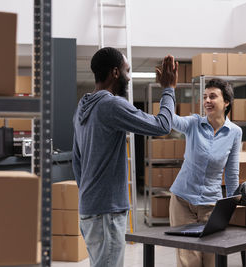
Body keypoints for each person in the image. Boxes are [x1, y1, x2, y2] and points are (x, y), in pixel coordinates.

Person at [72, 47, 178, 267]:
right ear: (115, 73)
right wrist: (168, 89)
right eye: (128, 71)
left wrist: (91, 194)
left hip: (90, 209)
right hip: (107, 211)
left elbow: (77, 161)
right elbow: (162, 125)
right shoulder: (110, 105)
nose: (130, 77)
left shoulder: (82, 108)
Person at [169, 78, 242, 267]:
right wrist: (168, 90)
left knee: (213, 260)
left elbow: (232, 173)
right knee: (188, 260)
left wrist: (232, 207)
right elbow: (169, 120)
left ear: (226, 102)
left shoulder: (235, 132)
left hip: (212, 205)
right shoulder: (193, 123)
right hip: (182, 201)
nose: (207, 101)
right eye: (204, 97)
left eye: (212, 96)